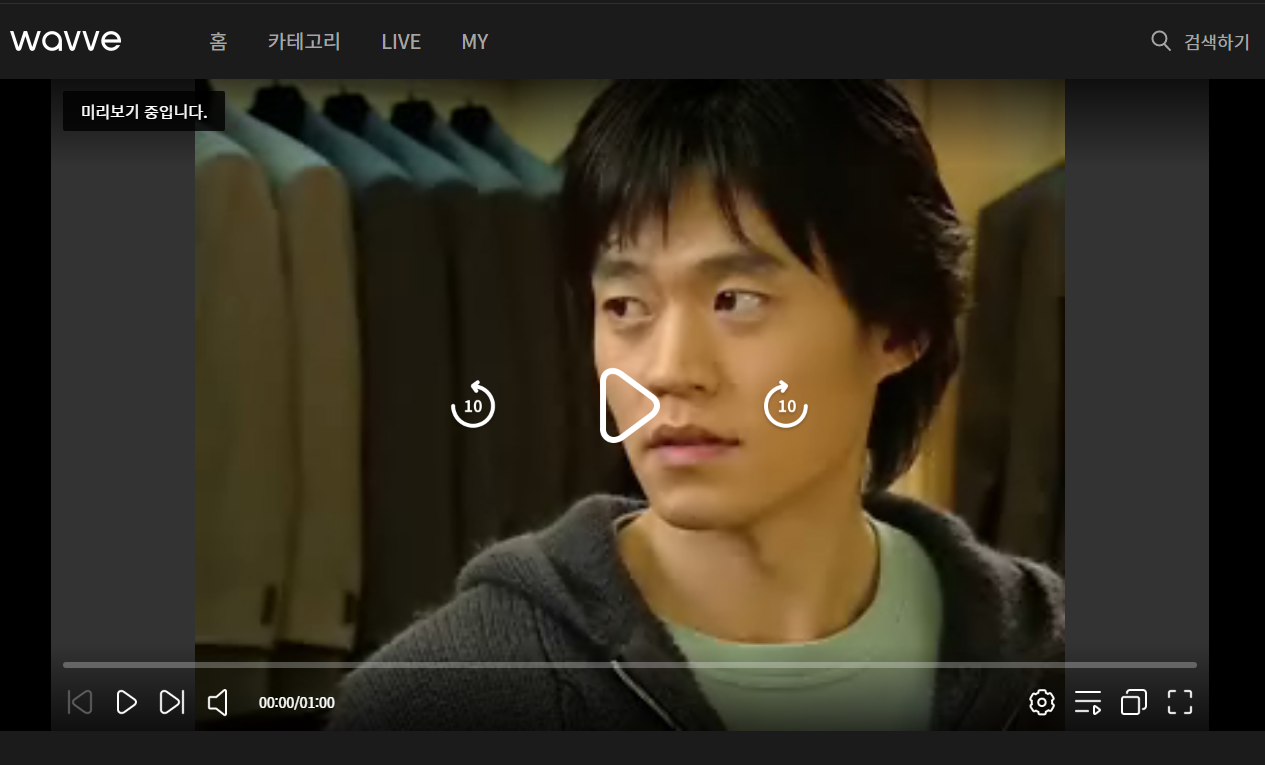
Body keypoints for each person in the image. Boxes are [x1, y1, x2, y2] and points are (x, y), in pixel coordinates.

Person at [330, 80, 1065, 731]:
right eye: (625, 305)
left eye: (735, 299)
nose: (667, 371)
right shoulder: (437, 700)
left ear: (899, 329)